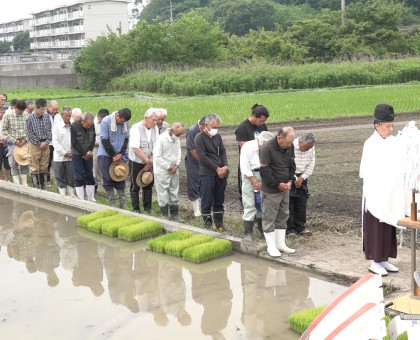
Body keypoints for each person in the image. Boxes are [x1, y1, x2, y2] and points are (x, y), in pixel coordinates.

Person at [359, 104, 405, 276]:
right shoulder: (371, 144)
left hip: (390, 192)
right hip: (376, 192)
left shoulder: (393, 142)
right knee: (376, 225)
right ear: (376, 125)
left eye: (392, 126)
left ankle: (384, 259)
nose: (391, 129)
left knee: (388, 224)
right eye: (388, 126)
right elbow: (367, 171)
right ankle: (374, 261)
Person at [260, 127, 296, 257]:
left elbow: (292, 165)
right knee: (269, 217)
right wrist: (277, 184)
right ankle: (271, 246)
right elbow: (264, 171)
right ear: (279, 138)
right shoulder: (267, 148)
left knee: (283, 215)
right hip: (271, 190)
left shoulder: (289, 147)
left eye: (291, 142)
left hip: (285, 188)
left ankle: (281, 244)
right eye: (288, 142)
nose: (290, 145)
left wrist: (290, 181)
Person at [195, 114, 229, 232]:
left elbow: (223, 152)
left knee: (219, 198)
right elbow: (202, 157)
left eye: (217, 127)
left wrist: (224, 166)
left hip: (220, 173)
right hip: (207, 173)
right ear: (206, 125)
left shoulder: (217, 137)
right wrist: (216, 168)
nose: (215, 129)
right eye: (213, 126)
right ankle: (208, 224)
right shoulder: (199, 138)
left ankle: (219, 223)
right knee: (207, 198)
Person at [240, 131, 274, 240]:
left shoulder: (271, 147)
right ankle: (248, 233)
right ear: (258, 141)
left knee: (262, 203)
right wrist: (255, 183)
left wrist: (263, 183)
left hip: (265, 175)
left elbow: (272, 165)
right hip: (249, 175)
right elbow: (245, 168)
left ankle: (262, 230)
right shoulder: (248, 146)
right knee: (249, 203)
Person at [98, 108, 131, 208]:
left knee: (120, 177)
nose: (122, 123)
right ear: (117, 116)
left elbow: (126, 139)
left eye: (124, 122)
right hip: (105, 154)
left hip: (119, 154)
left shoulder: (125, 122)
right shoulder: (106, 121)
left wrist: (121, 154)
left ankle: (122, 203)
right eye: (121, 121)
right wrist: (113, 155)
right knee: (107, 179)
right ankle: (111, 203)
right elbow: (104, 139)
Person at [235, 104, 269, 199]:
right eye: (261, 120)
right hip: (248, 164)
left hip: (261, 163)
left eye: (264, 121)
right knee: (248, 197)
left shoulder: (263, 127)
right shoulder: (242, 128)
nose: (262, 123)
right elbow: (244, 148)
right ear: (254, 116)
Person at [128, 108, 159, 213]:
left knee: (148, 182)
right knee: (135, 184)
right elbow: (135, 148)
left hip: (150, 160)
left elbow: (157, 146)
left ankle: (148, 208)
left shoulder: (155, 128)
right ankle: (136, 208)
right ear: (146, 118)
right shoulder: (136, 128)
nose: (155, 123)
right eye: (153, 120)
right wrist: (147, 161)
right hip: (137, 161)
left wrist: (151, 160)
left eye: (156, 120)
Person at [153, 122, 185, 221]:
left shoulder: (177, 139)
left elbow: (178, 152)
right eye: (178, 134)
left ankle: (175, 215)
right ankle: (165, 216)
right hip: (162, 170)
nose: (178, 137)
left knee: (174, 191)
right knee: (162, 193)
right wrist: (167, 167)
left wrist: (177, 164)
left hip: (174, 169)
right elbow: (157, 156)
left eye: (180, 135)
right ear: (171, 131)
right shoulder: (161, 139)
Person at [286, 133, 316, 236]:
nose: (308, 150)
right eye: (306, 147)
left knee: (301, 202)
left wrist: (302, 177)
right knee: (288, 203)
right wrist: (294, 178)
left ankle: (300, 228)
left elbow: (311, 163)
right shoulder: (289, 146)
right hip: (289, 177)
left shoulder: (311, 147)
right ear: (300, 142)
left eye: (310, 148)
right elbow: (285, 164)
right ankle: (289, 229)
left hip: (303, 177)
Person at [25, 98, 52, 190]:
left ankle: (43, 188)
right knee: (34, 166)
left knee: (44, 166)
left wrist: (46, 142)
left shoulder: (47, 116)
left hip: (45, 143)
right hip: (34, 145)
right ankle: (36, 188)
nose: (43, 111)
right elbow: (29, 134)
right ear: (36, 108)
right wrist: (38, 143)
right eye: (41, 109)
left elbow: (49, 130)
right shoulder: (29, 118)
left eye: (44, 109)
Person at [1, 99, 29, 185]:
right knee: (13, 164)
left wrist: (25, 139)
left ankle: (24, 184)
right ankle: (16, 184)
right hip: (12, 143)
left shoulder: (26, 114)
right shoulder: (8, 115)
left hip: (24, 143)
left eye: (22, 110)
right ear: (15, 107)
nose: (21, 112)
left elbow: (29, 129)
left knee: (25, 162)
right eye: (19, 110)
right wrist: (14, 140)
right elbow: (4, 130)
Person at [71, 112, 96, 201]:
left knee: (90, 174)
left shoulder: (91, 125)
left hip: (88, 154)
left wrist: (89, 151)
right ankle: (80, 198)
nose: (89, 127)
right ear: (82, 121)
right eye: (87, 125)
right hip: (77, 154)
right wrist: (84, 153)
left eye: (90, 125)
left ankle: (91, 197)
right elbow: (74, 143)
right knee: (79, 176)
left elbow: (93, 138)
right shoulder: (74, 126)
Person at [185, 116, 205, 217]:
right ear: (201, 125)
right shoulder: (192, 131)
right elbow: (191, 149)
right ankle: (196, 210)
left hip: (204, 162)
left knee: (203, 184)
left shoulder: (207, 130)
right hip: (193, 162)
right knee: (194, 184)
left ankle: (203, 207)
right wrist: (202, 161)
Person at [52, 106, 74, 197]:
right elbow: (55, 142)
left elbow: (76, 140)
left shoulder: (74, 126)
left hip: (71, 157)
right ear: (62, 115)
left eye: (69, 115)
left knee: (71, 176)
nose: (68, 117)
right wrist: (64, 152)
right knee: (60, 176)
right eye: (66, 115)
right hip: (60, 157)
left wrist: (73, 152)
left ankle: (71, 194)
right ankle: (63, 195)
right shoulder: (57, 127)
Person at [93, 108, 110, 194]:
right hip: (95, 149)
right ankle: (90, 190)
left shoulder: (108, 123)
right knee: (93, 169)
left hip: (104, 150)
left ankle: (95, 189)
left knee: (100, 171)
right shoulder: (93, 123)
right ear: (98, 117)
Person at [46, 100, 61, 186]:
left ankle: (57, 180)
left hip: (57, 142)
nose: (55, 111)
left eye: (56, 109)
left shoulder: (58, 116)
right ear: (49, 107)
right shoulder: (45, 116)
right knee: (48, 161)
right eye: (54, 109)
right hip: (49, 142)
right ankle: (47, 179)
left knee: (57, 161)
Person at [0, 105, 11, 181]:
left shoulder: (8, 121)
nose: (1, 114)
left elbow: (11, 131)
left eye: (3, 112)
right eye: (0, 112)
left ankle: (7, 180)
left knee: (8, 163)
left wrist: (6, 140)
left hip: (8, 143)